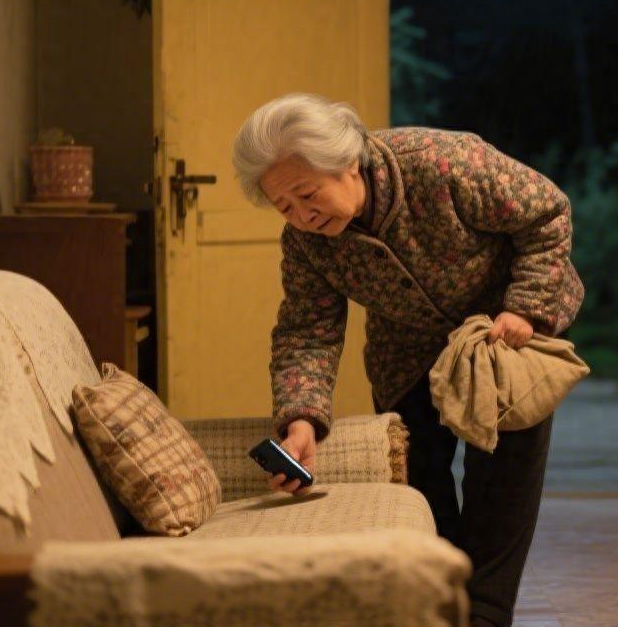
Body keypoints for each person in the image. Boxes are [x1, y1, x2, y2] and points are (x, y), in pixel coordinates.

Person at [232, 93, 585, 627]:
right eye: (284, 206)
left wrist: (526, 307)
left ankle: (486, 615)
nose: (302, 215)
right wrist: (300, 420)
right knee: (417, 478)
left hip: (503, 332)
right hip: (406, 349)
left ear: (347, 163)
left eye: (307, 194)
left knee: (501, 484)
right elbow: (307, 329)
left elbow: (547, 213)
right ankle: (441, 607)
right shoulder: (305, 242)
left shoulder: (443, 162)